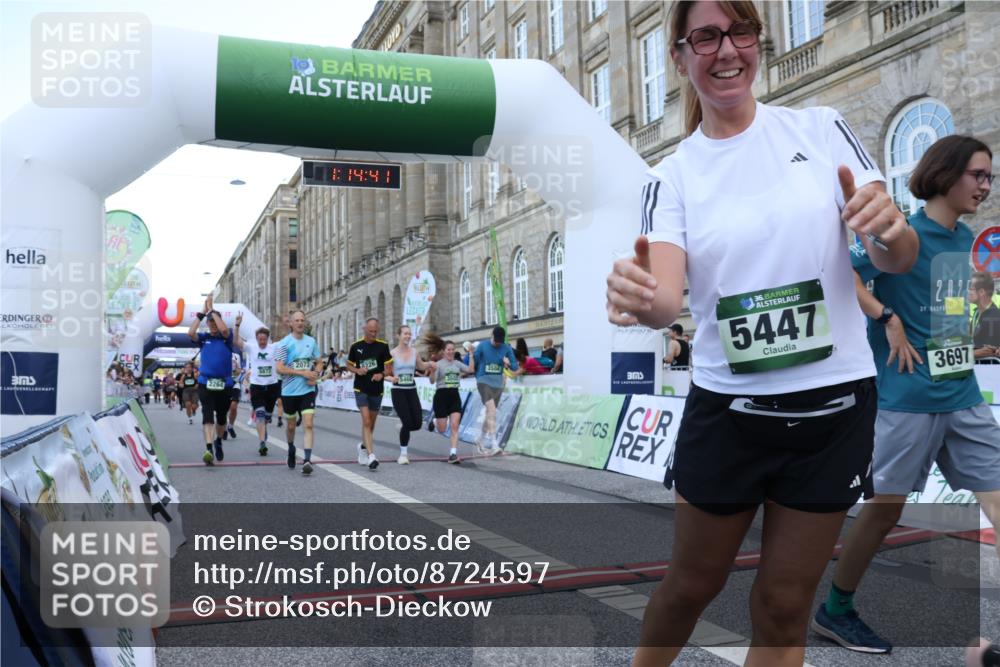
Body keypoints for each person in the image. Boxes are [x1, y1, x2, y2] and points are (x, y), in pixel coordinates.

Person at [604, 2, 917, 664]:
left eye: (739, 32)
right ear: (680, 58)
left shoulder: (822, 128)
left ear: (757, 41)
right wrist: (641, 299)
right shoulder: (673, 175)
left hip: (834, 410)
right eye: (707, 37)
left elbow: (898, 254)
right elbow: (665, 300)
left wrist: (889, 230)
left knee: (782, 606)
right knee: (690, 586)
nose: (727, 51)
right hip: (730, 416)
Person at [813, 135, 1000, 654]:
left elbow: (946, 318)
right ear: (946, 173)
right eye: (977, 175)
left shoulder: (964, 238)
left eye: (989, 176)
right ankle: (836, 610)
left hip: (962, 396)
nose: (985, 185)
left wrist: (978, 341)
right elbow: (840, 275)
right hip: (905, 400)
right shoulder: (901, 233)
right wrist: (887, 317)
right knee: (882, 514)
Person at [187, 296, 240, 465]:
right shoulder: (204, 338)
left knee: (222, 417)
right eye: (210, 323)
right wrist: (203, 313)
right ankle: (209, 448)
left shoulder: (227, 337)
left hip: (224, 384)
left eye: (215, 322)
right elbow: (190, 333)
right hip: (206, 383)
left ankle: (218, 441)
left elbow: (224, 330)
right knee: (207, 415)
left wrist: (212, 310)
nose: (213, 326)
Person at [275, 310, 322, 474]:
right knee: (291, 426)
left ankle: (307, 459)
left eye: (302, 320)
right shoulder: (284, 344)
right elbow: (279, 368)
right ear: (291, 323)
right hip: (289, 392)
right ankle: (290, 448)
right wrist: (302, 373)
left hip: (307, 390)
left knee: (309, 424)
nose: (300, 323)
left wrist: (316, 374)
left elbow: (319, 361)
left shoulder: (311, 341)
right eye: (297, 320)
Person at [347, 317, 393, 471]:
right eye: (371, 331)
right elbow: (348, 365)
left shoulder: (383, 346)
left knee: (371, 424)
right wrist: (357, 370)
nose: (373, 334)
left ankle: (363, 448)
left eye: (376, 331)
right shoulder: (356, 346)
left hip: (377, 389)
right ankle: (372, 456)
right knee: (366, 420)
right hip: (361, 388)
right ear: (365, 330)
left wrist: (381, 374)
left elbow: (388, 369)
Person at [386, 325, 434, 465]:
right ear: (398, 336)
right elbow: (385, 374)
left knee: (417, 423)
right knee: (407, 422)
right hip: (398, 391)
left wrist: (430, 364)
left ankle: (403, 427)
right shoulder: (392, 353)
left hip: (411, 389)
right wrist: (391, 378)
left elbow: (421, 366)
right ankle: (403, 454)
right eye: (405, 334)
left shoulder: (414, 352)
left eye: (409, 334)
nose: (408, 336)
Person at [473, 326, 518, 454]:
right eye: (495, 340)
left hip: (498, 384)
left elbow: (515, 367)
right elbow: (473, 362)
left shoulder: (506, 348)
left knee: (490, 414)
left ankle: (479, 438)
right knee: (492, 410)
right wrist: (478, 376)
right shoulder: (483, 345)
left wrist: (508, 363)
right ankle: (494, 444)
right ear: (491, 335)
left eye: (499, 341)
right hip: (483, 381)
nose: (497, 343)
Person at [427, 339, 472, 463]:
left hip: (454, 396)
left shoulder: (457, 363)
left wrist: (471, 354)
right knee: (442, 429)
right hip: (441, 396)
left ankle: (453, 454)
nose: (451, 352)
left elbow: (470, 370)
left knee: (454, 426)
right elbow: (432, 381)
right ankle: (435, 421)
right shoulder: (439, 364)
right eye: (448, 349)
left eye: (453, 349)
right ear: (444, 351)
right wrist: (432, 370)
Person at [247, 326, 281, 456]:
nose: (262, 342)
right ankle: (262, 443)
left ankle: (264, 428)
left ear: (268, 339)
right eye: (260, 339)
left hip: (272, 386)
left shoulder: (274, 347)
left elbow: (289, 340)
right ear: (256, 339)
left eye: (264, 339)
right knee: (260, 415)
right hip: (256, 386)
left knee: (266, 416)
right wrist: (237, 326)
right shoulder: (251, 347)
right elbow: (237, 342)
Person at [970, 271, 1000, 359]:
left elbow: (990, 350)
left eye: (971, 289)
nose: (967, 292)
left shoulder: (994, 316)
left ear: (982, 292)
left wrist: (962, 356)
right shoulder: (977, 312)